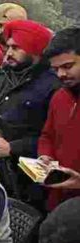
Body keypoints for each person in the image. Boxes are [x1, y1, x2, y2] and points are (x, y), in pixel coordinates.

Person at [0, 19, 59, 208]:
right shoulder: (2, 78)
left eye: (16, 48)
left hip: (33, 183)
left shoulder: (54, 85)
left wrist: (12, 148)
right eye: (8, 47)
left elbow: (56, 139)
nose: (9, 53)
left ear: (34, 49)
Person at [38, 27, 80, 211]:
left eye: (68, 66)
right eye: (56, 69)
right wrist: (45, 155)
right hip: (58, 204)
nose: (61, 74)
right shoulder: (59, 97)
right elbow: (47, 135)